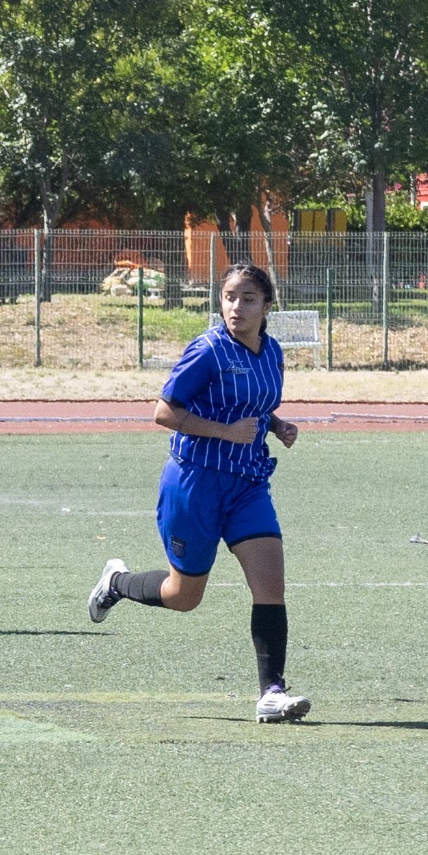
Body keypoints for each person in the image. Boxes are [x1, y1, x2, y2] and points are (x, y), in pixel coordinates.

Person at [85, 263, 310, 722]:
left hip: (248, 485)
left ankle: (271, 692)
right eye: (229, 296)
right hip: (194, 484)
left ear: (268, 305)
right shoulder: (206, 350)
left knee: (271, 586)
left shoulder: (273, 353)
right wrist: (226, 432)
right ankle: (117, 583)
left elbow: (258, 405)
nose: (236, 307)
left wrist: (276, 423)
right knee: (184, 596)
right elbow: (163, 412)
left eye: (248, 298)